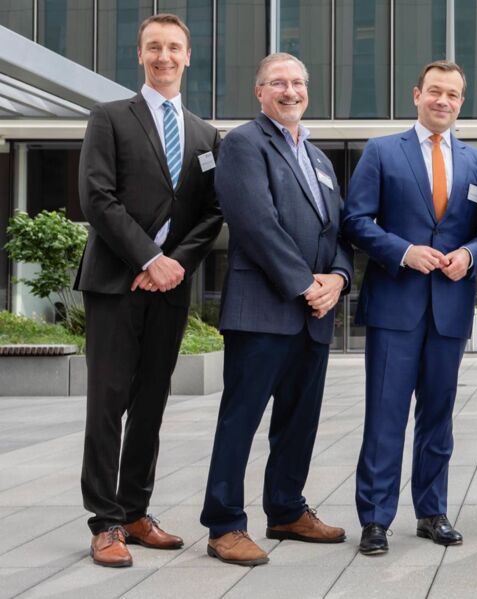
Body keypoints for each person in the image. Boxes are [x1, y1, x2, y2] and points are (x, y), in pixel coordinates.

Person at [75, 13, 223, 568]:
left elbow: (211, 215)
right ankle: (105, 522)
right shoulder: (110, 117)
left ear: (188, 56)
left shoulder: (207, 135)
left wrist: (174, 265)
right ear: (140, 55)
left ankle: (136, 511)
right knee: (108, 402)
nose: (164, 57)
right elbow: (97, 198)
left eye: (174, 48)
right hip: (116, 282)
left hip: (170, 288)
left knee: (150, 402)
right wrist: (148, 257)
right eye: (154, 48)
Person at [200, 52, 352, 566]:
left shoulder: (319, 158)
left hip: (314, 315)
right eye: (278, 83)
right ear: (259, 92)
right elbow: (254, 223)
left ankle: (286, 509)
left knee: (299, 419)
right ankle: (224, 524)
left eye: (298, 82)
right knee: (240, 419)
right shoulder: (244, 144)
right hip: (263, 309)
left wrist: (338, 278)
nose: (290, 91)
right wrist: (304, 284)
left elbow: (337, 230)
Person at [343, 60, 477, 556]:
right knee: (385, 417)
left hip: (449, 308)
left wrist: (470, 255)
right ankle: (376, 519)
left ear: (461, 102)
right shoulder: (382, 151)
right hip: (395, 306)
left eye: (452, 94)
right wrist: (404, 252)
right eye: (435, 91)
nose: (443, 101)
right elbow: (356, 221)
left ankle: (432, 512)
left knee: (439, 417)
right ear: (416, 94)